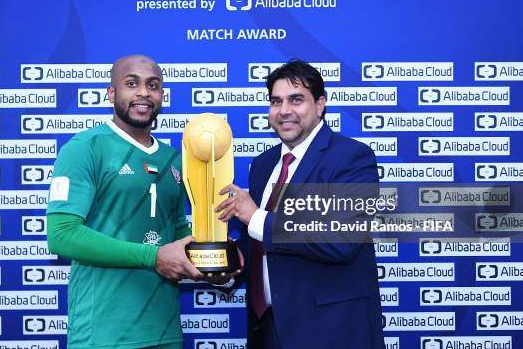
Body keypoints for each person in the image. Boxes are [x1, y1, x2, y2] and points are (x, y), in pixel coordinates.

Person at [216, 60, 384, 348]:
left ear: (320, 105)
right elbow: (258, 243)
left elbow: (340, 239)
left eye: (296, 100)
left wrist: (255, 218)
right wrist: (227, 270)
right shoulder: (263, 164)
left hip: (330, 331)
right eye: (276, 101)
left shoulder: (352, 157)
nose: (284, 111)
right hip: (266, 327)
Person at [46, 54, 202, 349]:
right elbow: (61, 235)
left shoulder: (175, 159)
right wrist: (153, 257)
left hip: (165, 331)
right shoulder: (85, 148)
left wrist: (213, 263)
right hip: (104, 335)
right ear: (111, 92)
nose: (144, 92)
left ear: (162, 96)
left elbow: (177, 231)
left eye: (153, 85)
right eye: (132, 83)